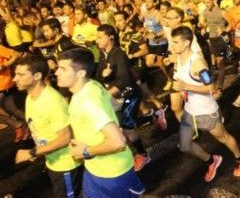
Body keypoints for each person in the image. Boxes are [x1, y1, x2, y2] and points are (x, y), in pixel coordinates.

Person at [56, 48, 145, 197]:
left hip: (112, 172)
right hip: (94, 169)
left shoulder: (88, 101)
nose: (57, 72)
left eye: (63, 69)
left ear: (80, 73)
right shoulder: (91, 85)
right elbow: (115, 104)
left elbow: (118, 142)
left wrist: (85, 151)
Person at [171, 26, 240, 182]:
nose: (172, 45)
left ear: (186, 43)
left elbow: (211, 88)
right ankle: (212, 161)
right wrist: (180, 89)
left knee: (224, 138)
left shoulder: (198, 63)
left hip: (206, 112)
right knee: (184, 145)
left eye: (175, 42)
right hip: (189, 111)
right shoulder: (179, 58)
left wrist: (186, 87)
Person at [14, 56, 83, 197]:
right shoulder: (30, 97)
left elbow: (65, 137)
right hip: (53, 161)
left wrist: (32, 152)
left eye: (21, 74)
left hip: (66, 164)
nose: (15, 79)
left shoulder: (52, 101)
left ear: (37, 76)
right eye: (16, 74)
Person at [94, 24, 151, 172]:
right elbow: (99, 75)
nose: (96, 40)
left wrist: (107, 93)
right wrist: (103, 78)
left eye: (100, 37)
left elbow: (125, 80)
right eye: (96, 37)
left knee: (127, 128)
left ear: (111, 38)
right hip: (115, 97)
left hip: (129, 95)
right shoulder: (102, 53)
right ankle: (127, 154)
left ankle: (143, 154)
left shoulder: (118, 54)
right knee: (117, 129)